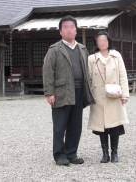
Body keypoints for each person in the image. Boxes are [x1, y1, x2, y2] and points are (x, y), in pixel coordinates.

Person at [42, 15, 95, 166]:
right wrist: (49, 92)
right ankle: (59, 155)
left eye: (72, 27)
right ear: (60, 31)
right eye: (65, 27)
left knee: (75, 125)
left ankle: (71, 153)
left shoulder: (82, 49)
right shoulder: (55, 49)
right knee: (60, 126)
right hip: (61, 93)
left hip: (79, 92)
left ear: (76, 30)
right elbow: (47, 71)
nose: (69, 30)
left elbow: (87, 72)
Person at [87, 30, 130, 163]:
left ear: (108, 41)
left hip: (114, 96)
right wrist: (88, 97)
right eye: (100, 41)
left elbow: (123, 75)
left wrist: (125, 94)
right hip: (98, 96)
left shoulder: (116, 56)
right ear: (96, 43)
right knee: (102, 127)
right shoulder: (92, 58)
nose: (102, 43)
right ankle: (105, 153)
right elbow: (88, 79)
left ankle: (115, 152)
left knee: (115, 126)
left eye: (104, 40)